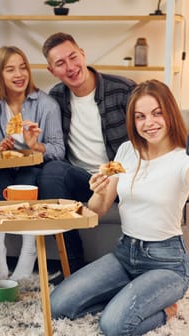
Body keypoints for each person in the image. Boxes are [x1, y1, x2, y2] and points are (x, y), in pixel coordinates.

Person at [50, 79, 189, 336]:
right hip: (125, 254)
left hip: (167, 263)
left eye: (156, 113)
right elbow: (98, 209)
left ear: (169, 113)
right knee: (58, 305)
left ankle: (166, 309)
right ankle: (130, 294)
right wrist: (98, 190)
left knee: (113, 326)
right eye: (140, 117)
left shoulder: (184, 158)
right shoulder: (127, 151)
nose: (149, 123)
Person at [39, 32, 137, 278]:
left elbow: (143, 140)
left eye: (73, 57)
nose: (70, 67)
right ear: (52, 70)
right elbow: (29, 106)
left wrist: (113, 174)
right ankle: (71, 266)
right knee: (51, 171)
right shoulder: (56, 97)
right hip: (82, 181)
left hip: (119, 180)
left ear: (82, 54)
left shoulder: (123, 90)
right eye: (60, 64)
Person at [0, 46, 65, 280]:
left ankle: (29, 252)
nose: (19, 75)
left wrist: (34, 146)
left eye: (22, 68)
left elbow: (59, 150)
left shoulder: (46, 105)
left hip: (33, 166)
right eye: (10, 70)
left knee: (27, 181)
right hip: (3, 168)